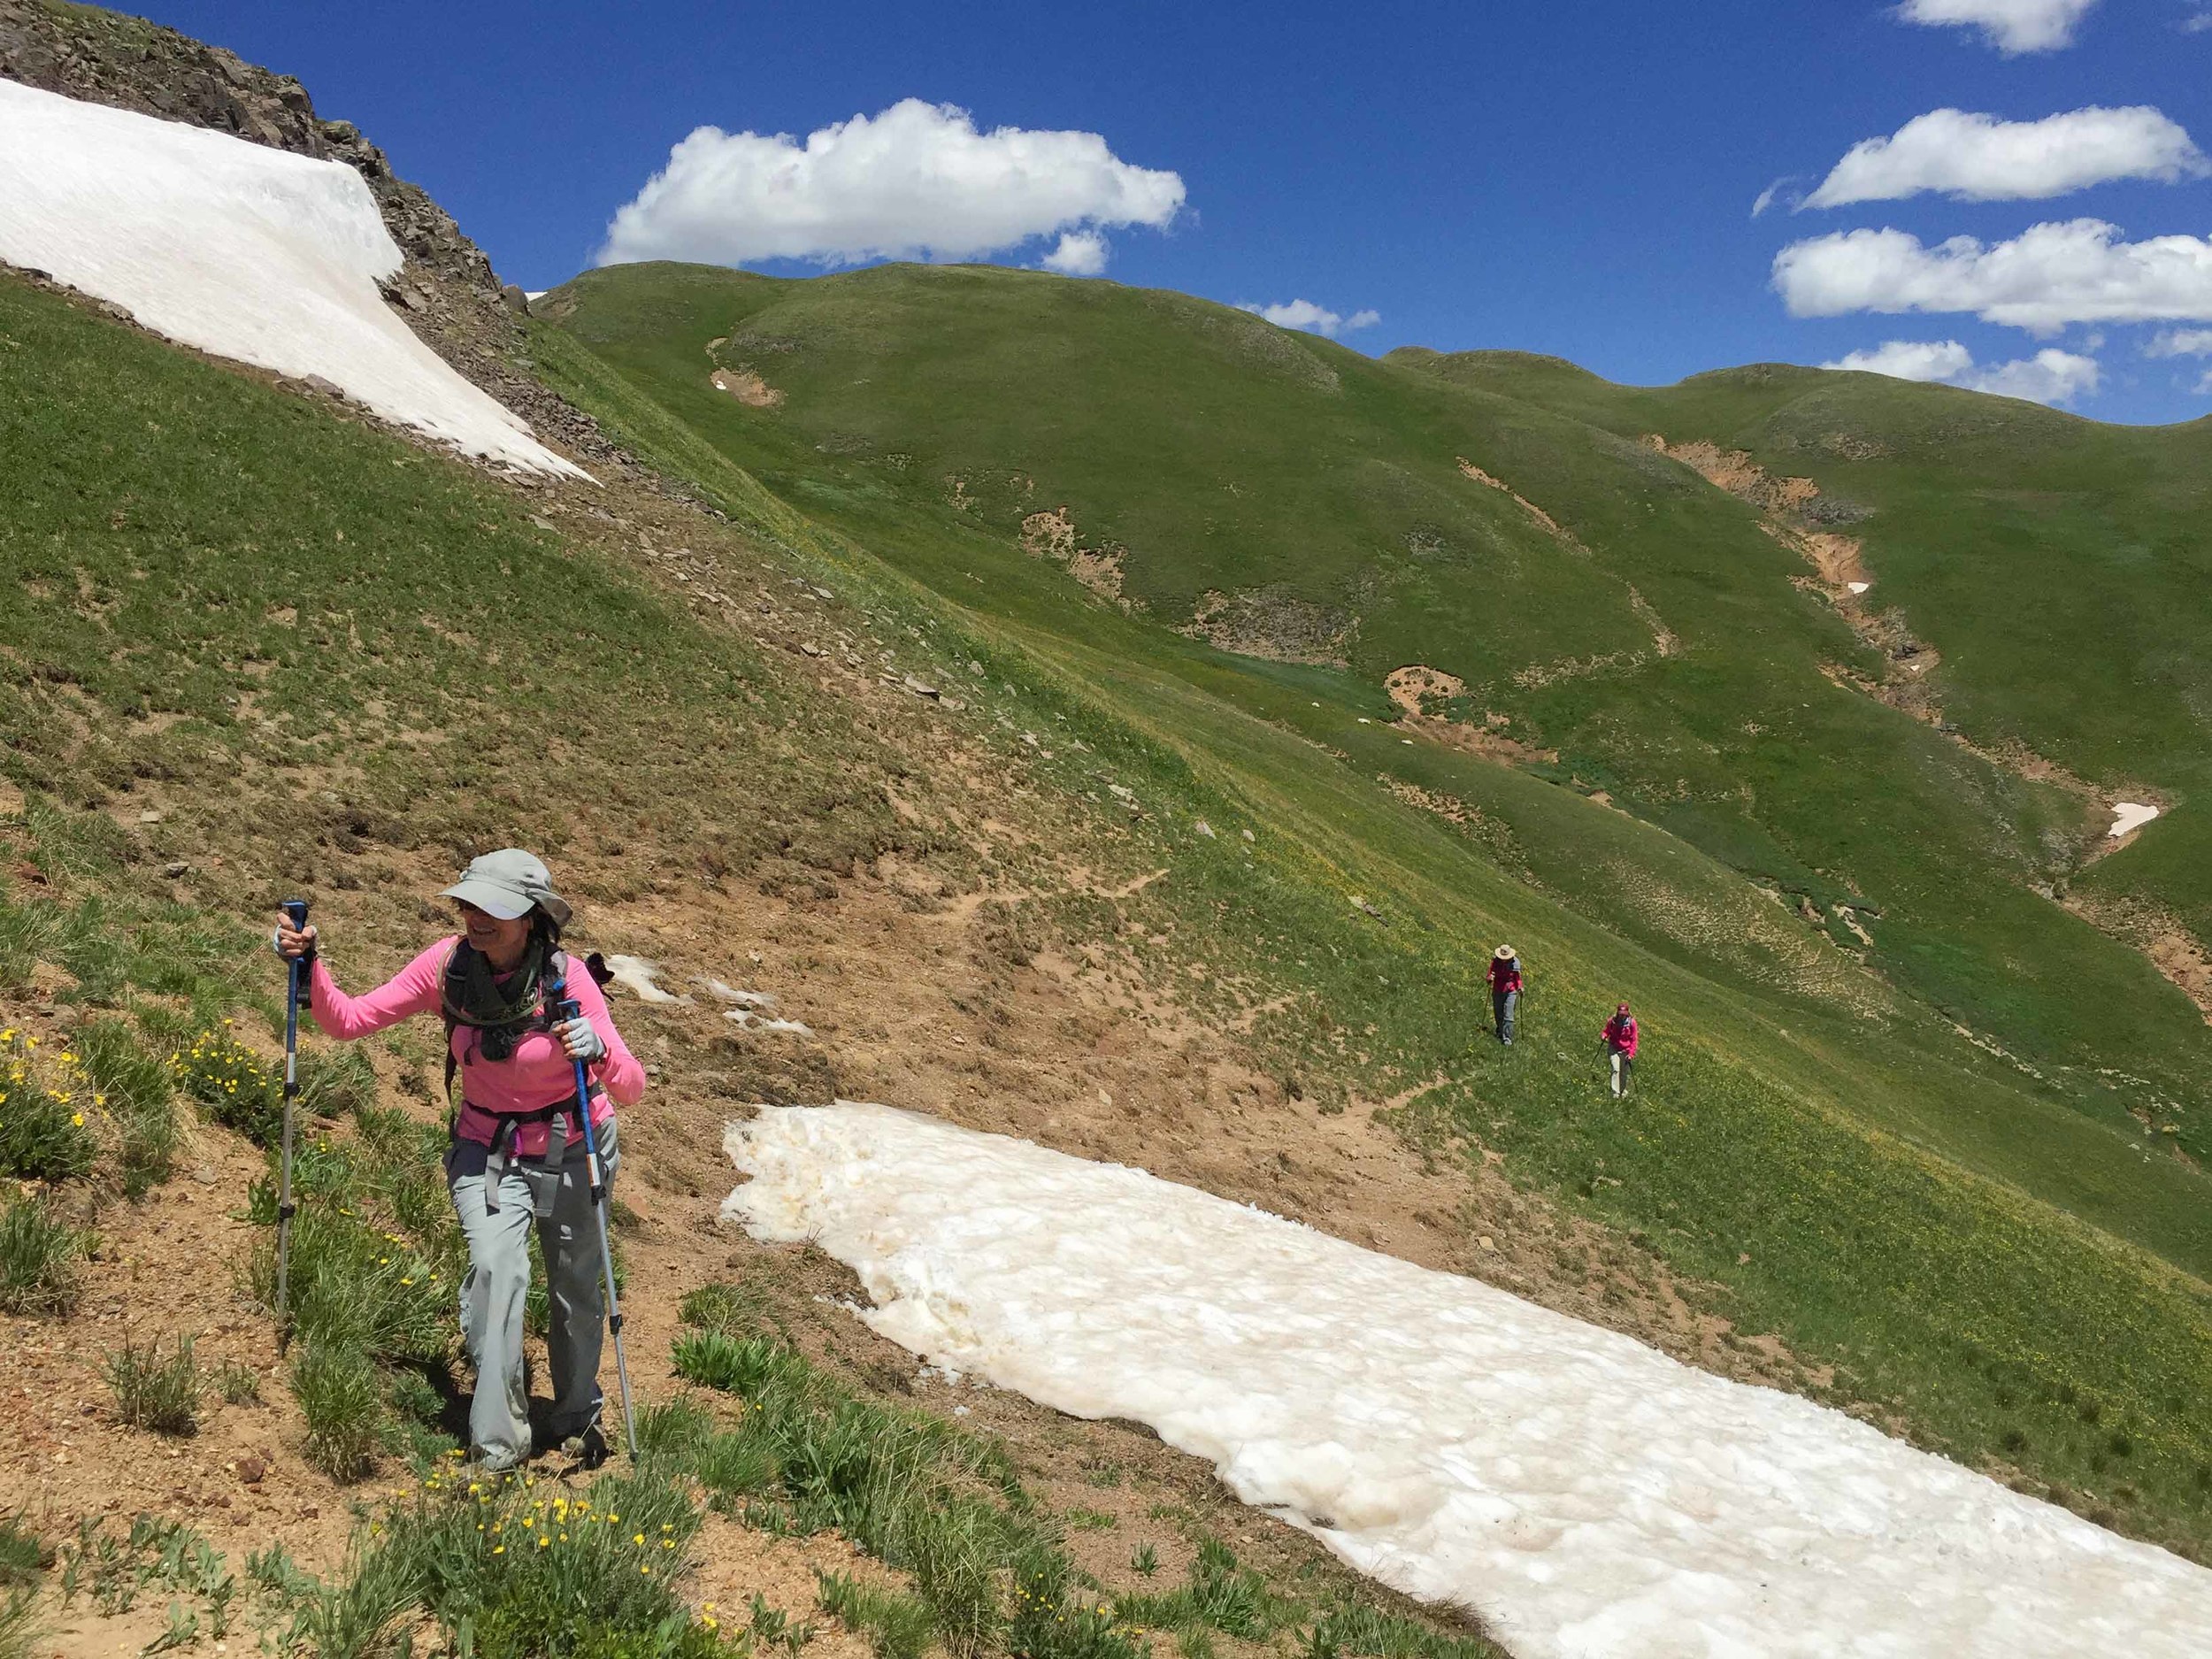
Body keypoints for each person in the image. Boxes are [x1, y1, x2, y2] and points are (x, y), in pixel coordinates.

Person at [273, 849, 645, 1471]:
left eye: (493, 908)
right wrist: (309, 966)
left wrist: (599, 1048)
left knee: (576, 1292)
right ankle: (499, 1449)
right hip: (488, 1150)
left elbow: (630, 1086)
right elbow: (348, 1020)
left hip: (575, 1146)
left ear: (530, 916)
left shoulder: (566, 978)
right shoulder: (445, 968)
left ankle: (579, 1416)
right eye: (470, 903)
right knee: (498, 1273)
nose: (476, 917)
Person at [1487, 946, 1523, 1045]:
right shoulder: (1495, 962)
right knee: (1498, 1012)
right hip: (1498, 989)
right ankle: (1500, 1031)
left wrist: (1520, 987)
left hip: (1511, 990)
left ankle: (1507, 1038)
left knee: (1508, 1015)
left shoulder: (1515, 963)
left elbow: (1518, 978)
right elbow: (1489, 974)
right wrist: (1490, 978)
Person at [1602, 1002, 1639, 1096]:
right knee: (1616, 1069)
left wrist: (1631, 1054)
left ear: (1627, 1013)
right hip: (1613, 1048)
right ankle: (1615, 1092)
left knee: (1623, 1073)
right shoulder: (1612, 1021)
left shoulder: (1632, 1023)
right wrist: (1604, 1035)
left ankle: (1622, 1090)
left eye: (1624, 1014)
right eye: (1620, 1014)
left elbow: (1634, 1040)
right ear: (1617, 1012)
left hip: (1625, 1051)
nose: (1622, 1016)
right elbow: (1606, 1031)